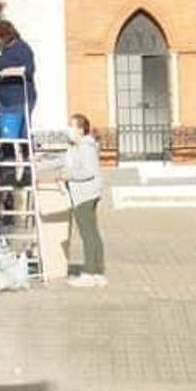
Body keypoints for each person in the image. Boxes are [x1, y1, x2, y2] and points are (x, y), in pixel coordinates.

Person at [65, 113, 106, 287]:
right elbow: (64, 162)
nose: (68, 129)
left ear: (81, 129)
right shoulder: (79, 146)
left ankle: (89, 273)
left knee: (87, 233)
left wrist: (68, 176)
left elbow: (88, 171)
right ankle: (97, 271)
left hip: (84, 195)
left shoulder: (85, 147)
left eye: (71, 126)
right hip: (88, 193)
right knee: (93, 232)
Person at [0, 20, 36, 140]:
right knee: (7, 134)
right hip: (6, 101)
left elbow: (29, 70)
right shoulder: (4, 50)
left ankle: (26, 151)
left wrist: (9, 71)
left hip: (21, 99)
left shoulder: (22, 48)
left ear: (5, 36)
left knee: (22, 134)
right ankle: (8, 151)